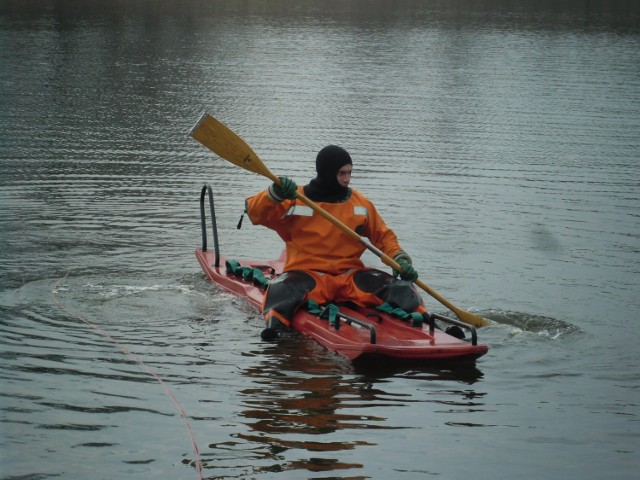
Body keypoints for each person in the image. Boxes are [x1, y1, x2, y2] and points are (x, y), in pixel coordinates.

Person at [245, 145, 426, 340]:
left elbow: (383, 236)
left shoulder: (360, 203)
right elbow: (255, 213)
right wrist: (274, 194)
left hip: (349, 276)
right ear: (328, 173)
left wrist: (399, 258)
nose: (347, 179)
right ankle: (275, 330)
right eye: (342, 173)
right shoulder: (296, 199)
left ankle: (426, 322)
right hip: (307, 274)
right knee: (280, 289)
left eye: (349, 173)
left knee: (402, 287)